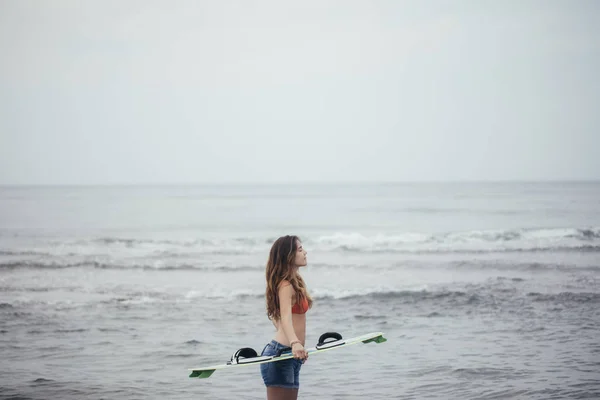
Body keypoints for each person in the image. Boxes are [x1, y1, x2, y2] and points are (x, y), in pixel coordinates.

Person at [260, 235, 312, 400]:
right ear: (288, 255)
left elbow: (278, 319)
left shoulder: (295, 281)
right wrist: (295, 342)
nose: (305, 252)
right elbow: (285, 318)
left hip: (291, 355)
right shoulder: (285, 285)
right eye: (300, 249)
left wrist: (297, 347)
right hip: (281, 354)